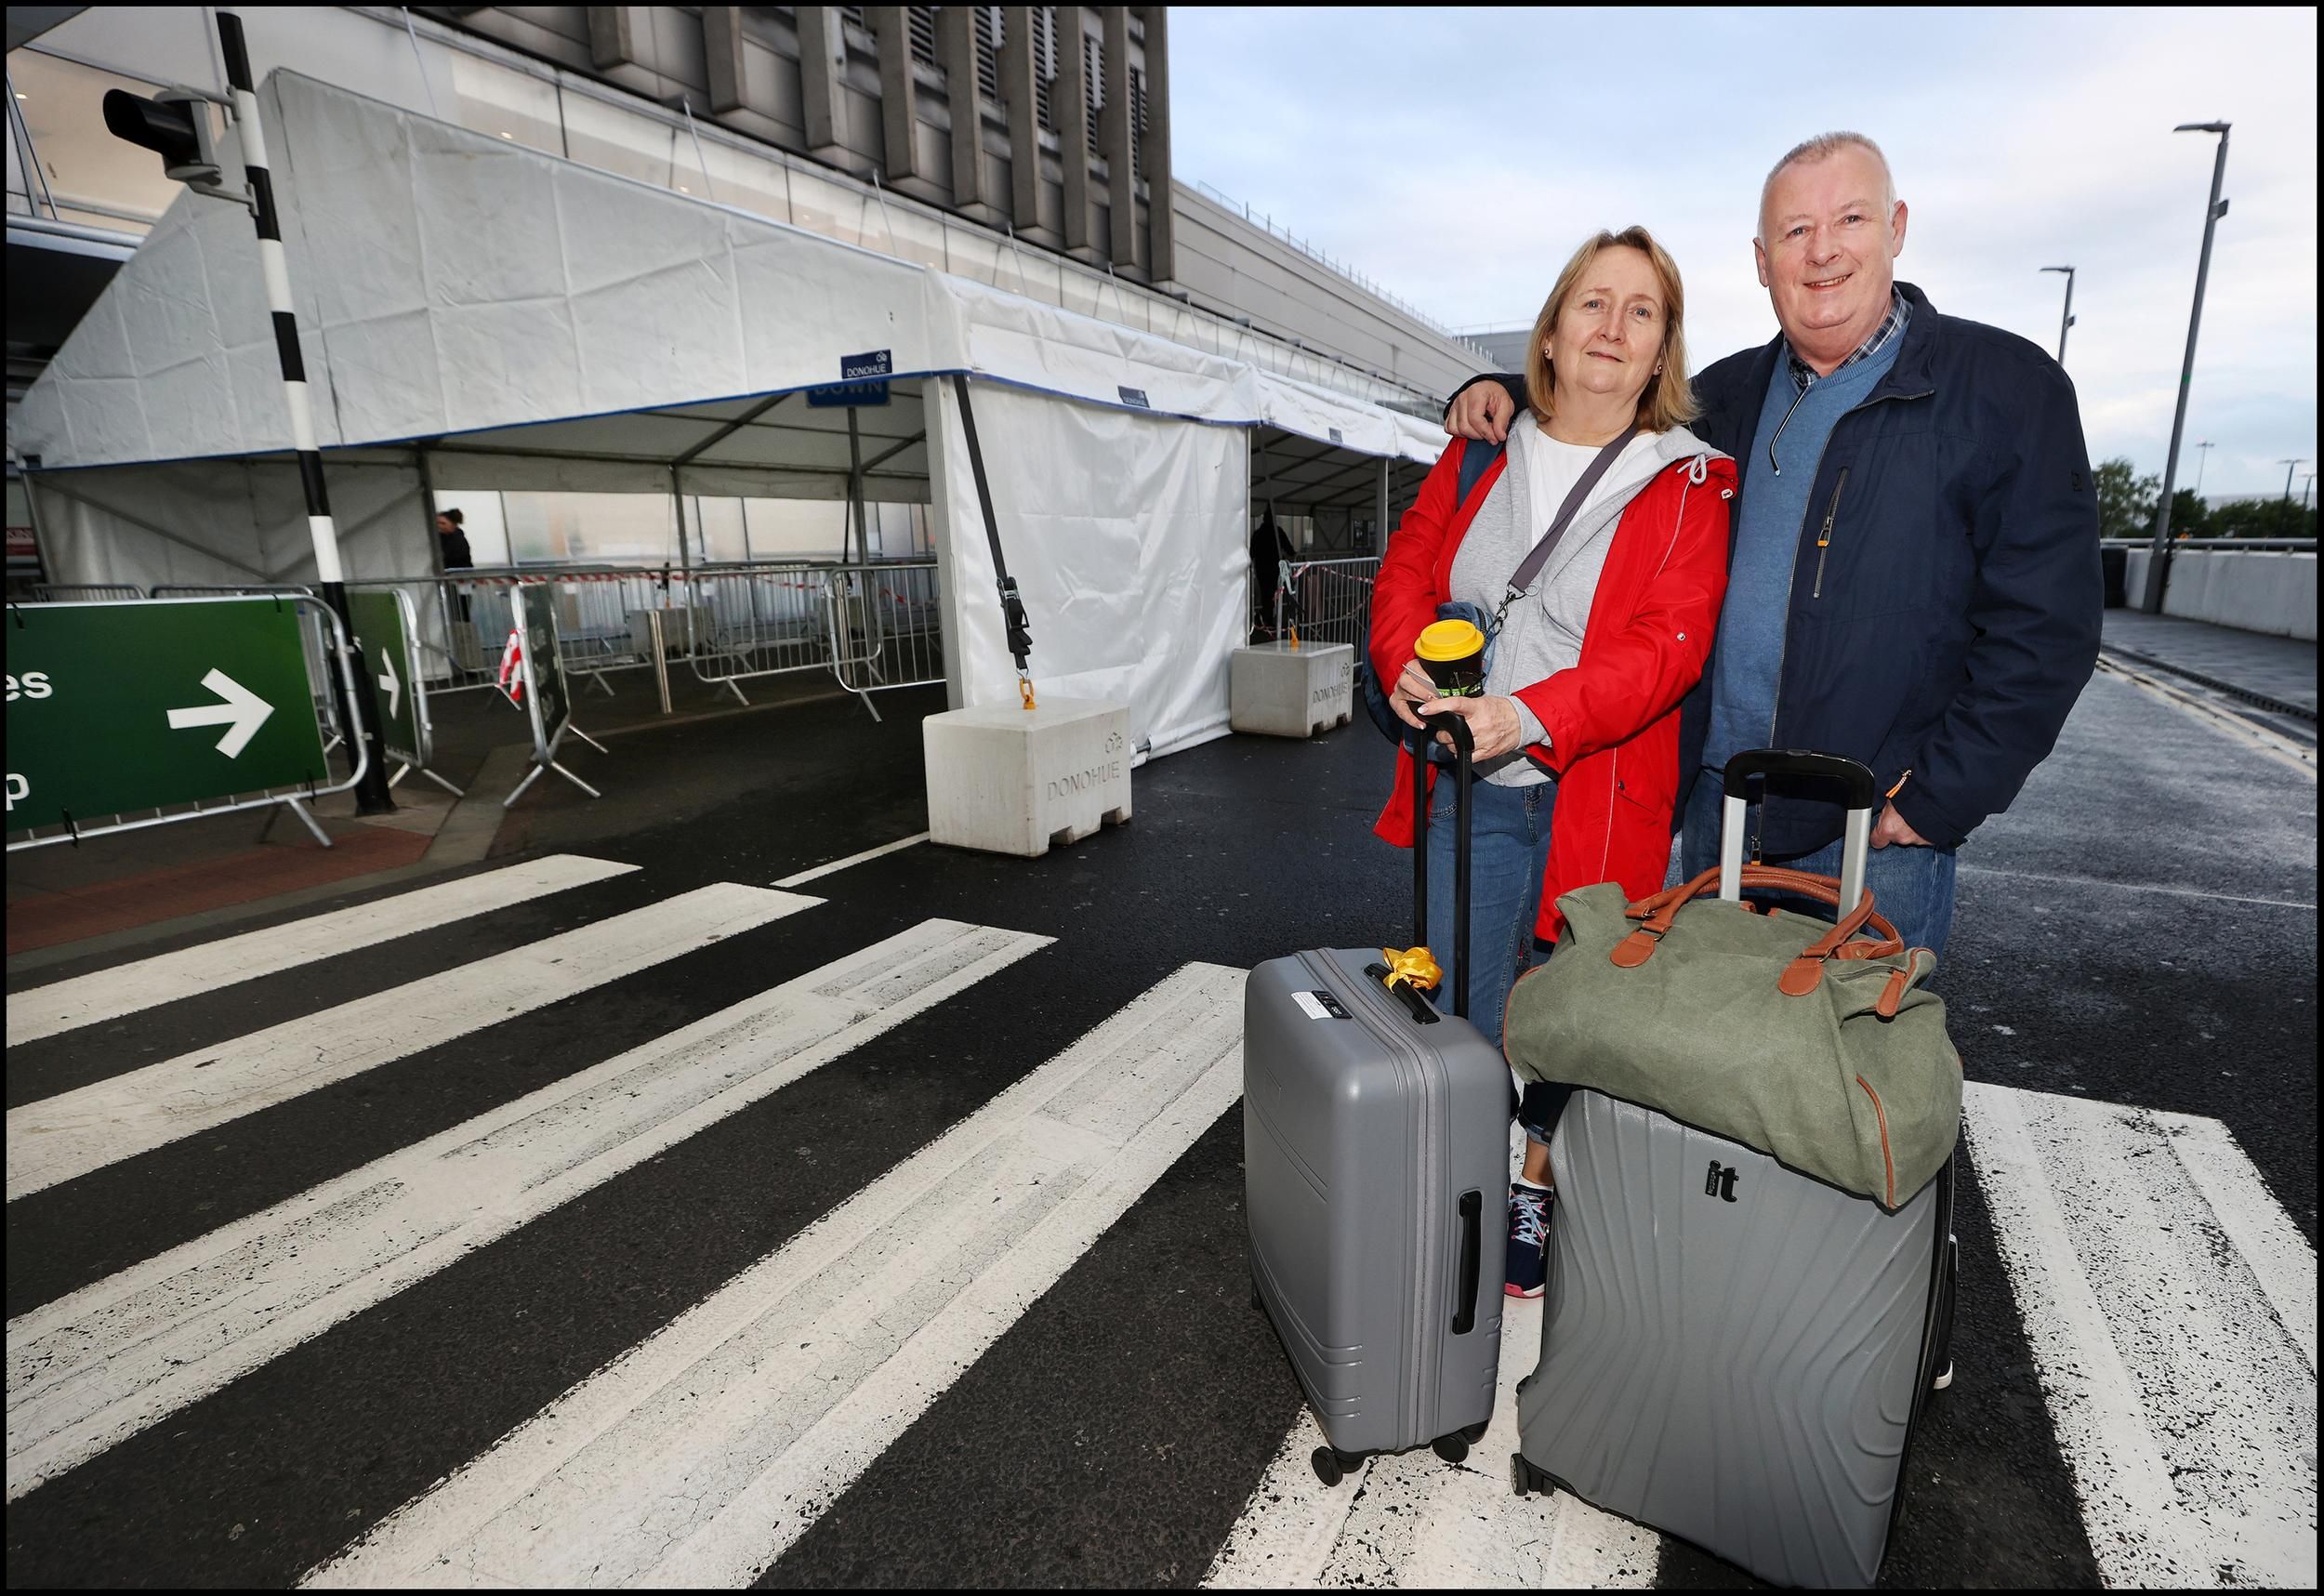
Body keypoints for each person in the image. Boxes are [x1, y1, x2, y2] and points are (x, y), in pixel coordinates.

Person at [1445, 133, 2101, 965]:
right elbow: (1603, 403)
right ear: (1762, 260)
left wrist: (1945, 794)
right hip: (1720, 815)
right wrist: (1501, 390)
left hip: (1875, 829)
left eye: (1850, 218)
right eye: (1794, 232)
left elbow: (2050, 626)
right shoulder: (1727, 396)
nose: (1822, 250)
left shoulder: (2005, 389)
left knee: (1850, 1075)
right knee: (1708, 1068)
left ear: (1896, 227)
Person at [1371, 227, 1736, 1298]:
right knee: (1459, 1012)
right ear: (1551, 327)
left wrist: (1526, 713)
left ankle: (1533, 1184)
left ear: (1664, 346)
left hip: (1600, 793)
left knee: (1572, 1021)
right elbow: (1407, 570)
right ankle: (1452, 1193)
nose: (1612, 327)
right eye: (1592, 302)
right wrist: (1401, 665)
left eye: (1641, 310)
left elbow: (1663, 651)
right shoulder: (1480, 448)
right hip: (1470, 790)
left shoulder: (1690, 484)